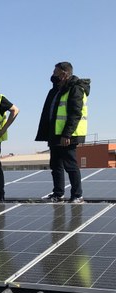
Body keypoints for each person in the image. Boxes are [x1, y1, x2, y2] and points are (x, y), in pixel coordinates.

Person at [35, 62, 90, 203]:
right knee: (56, 165)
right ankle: (58, 194)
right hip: (55, 133)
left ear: (64, 74)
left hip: (68, 135)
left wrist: (67, 134)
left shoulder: (76, 88)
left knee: (70, 166)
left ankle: (78, 195)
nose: (53, 75)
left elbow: (75, 113)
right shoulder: (56, 90)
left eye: (55, 72)